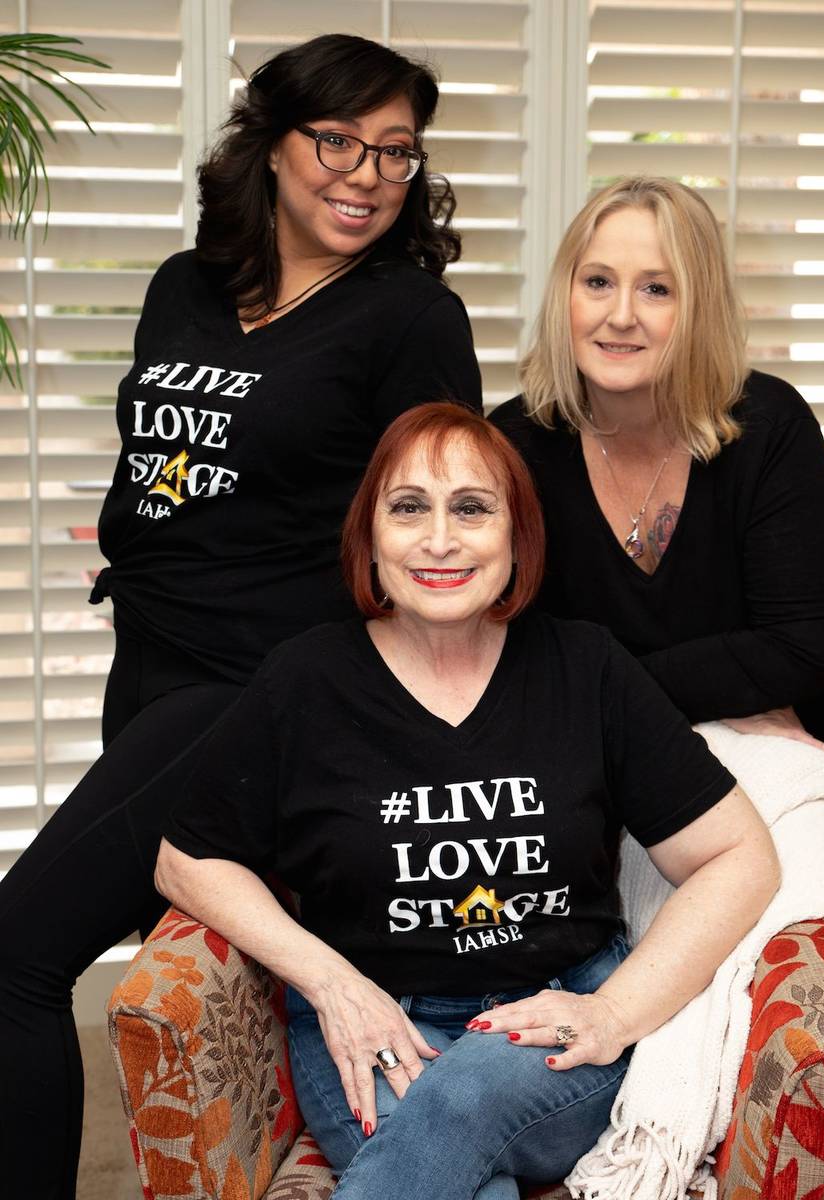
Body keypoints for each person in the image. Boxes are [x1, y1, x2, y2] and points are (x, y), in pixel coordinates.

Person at [0, 34, 482, 1200]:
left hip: (259, 687)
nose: (365, 175)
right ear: (269, 144)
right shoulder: (187, 285)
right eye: (338, 141)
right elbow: (169, 462)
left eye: (395, 154)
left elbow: (437, 528)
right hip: (152, 667)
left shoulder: (408, 317)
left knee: (15, 955)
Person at [155, 402, 781, 1200]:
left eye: (473, 509)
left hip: (552, 1033)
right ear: (369, 537)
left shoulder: (588, 670)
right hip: (378, 1027)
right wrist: (333, 984)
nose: (440, 539)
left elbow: (739, 854)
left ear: (517, 538)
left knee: (466, 1091)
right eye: (408, 507)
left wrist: (614, 1014)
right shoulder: (303, 682)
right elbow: (187, 859)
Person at [490, 176, 824, 799]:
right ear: (566, 294)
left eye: (657, 289)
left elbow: (798, 648)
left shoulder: (771, 423)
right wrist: (695, 699)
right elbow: (518, 652)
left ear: (700, 306)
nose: (621, 315)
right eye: (598, 281)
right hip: (704, 694)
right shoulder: (515, 443)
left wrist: (616, 688)